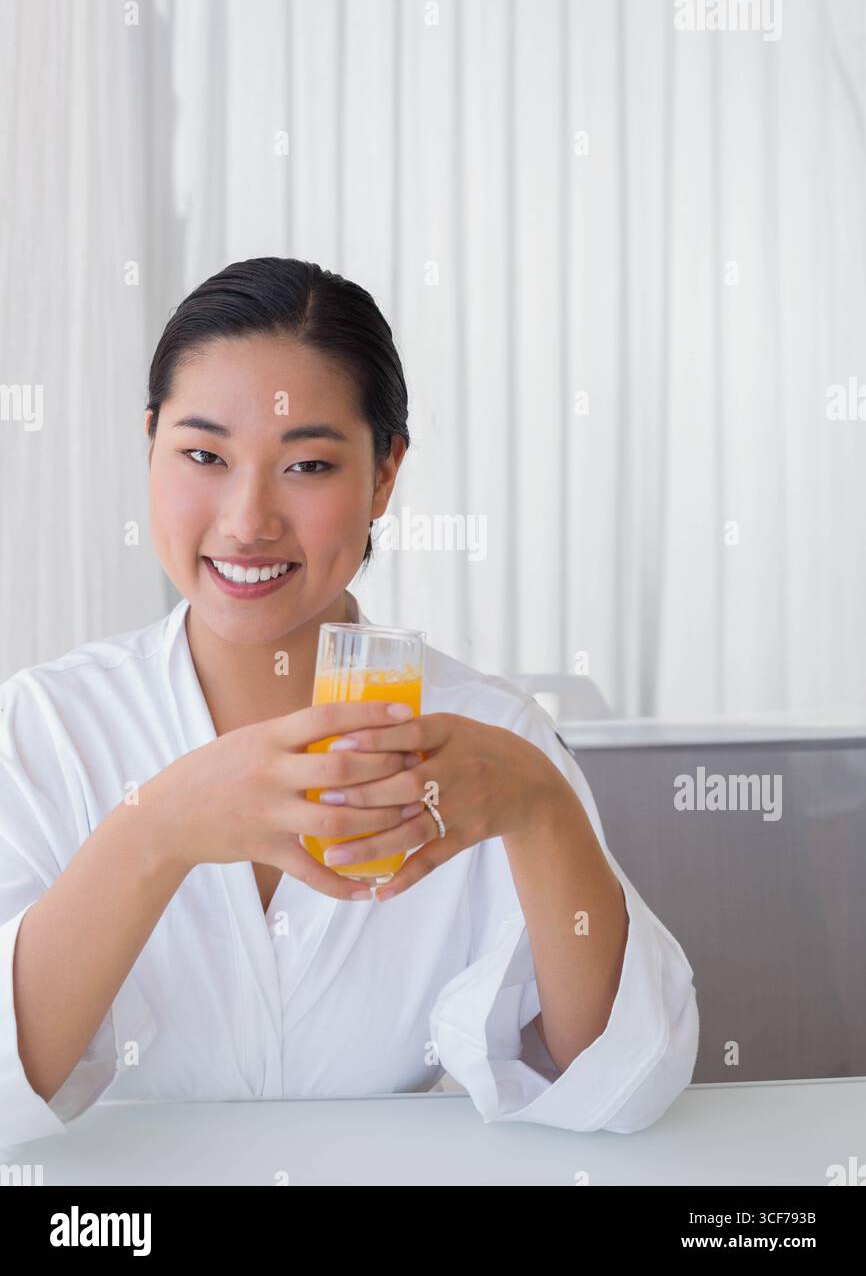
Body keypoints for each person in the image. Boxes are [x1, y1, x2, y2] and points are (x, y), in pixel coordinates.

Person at [0, 258, 699, 1151]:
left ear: (383, 476)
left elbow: (622, 1084)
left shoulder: (491, 741)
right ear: (150, 446)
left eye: (309, 464)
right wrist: (155, 831)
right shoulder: (48, 727)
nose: (248, 520)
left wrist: (543, 809)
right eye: (204, 455)